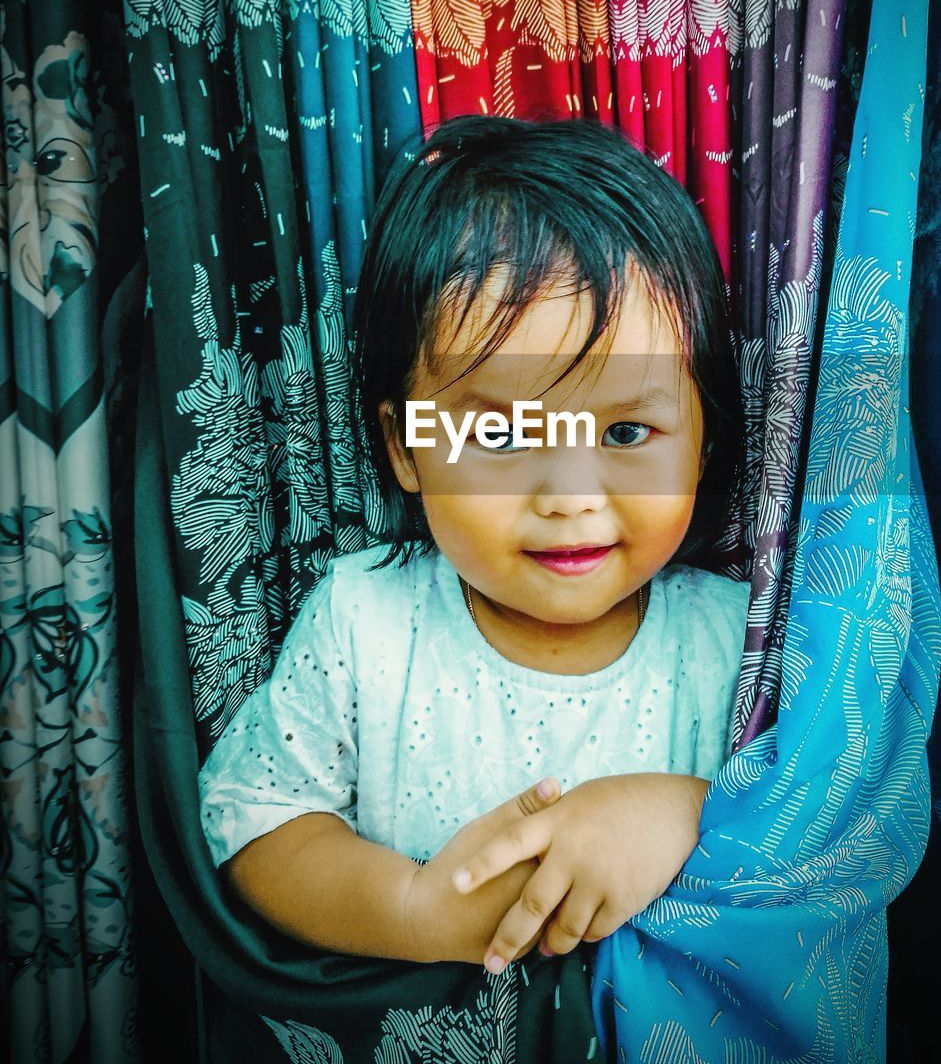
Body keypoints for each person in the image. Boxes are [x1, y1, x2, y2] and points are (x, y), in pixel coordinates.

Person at [197, 115, 749, 982]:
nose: (570, 498)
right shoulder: (365, 624)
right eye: (500, 434)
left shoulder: (737, 644)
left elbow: (844, 832)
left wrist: (686, 811)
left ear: (705, 438)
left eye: (628, 429)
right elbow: (254, 820)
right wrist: (415, 910)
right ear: (405, 448)